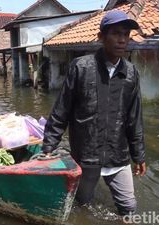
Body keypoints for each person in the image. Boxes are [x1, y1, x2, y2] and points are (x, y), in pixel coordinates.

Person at [42, 10, 146, 216]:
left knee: (129, 208)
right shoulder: (81, 68)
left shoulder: (131, 73)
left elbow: (134, 118)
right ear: (101, 37)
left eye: (126, 35)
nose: (122, 40)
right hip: (87, 153)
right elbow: (62, 110)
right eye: (116, 33)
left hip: (118, 154)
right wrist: (48, 147)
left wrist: (139, 155)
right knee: (83, 203)